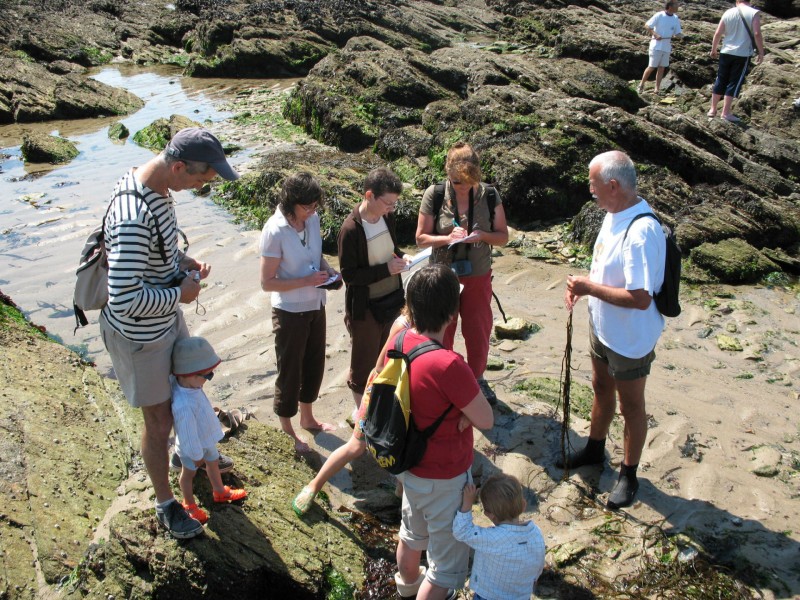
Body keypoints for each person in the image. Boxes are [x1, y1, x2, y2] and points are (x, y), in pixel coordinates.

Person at [99, 127, 239, 539]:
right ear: (177, 166)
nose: (200, 188)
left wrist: (181, 262)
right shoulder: (132, 216)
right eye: (199, 180)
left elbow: (158, 251)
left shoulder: (158, 189)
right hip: (140, 335)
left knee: (187, 390)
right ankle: (165, 503)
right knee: (158, 422)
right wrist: (180, 292)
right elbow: (123, 299)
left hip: (163, 321)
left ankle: (190, 455)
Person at [561, 151, 666, 510]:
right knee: (601, 386)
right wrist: (583, 285)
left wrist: (589, 289)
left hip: (630, 338)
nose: (589, 190)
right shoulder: (613, 213)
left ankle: (629, 474)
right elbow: (606, 266)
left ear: (613, 185)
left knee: (632, 405)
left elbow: (640, 298)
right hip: (603, 327)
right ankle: (594, 448)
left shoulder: (641, 231)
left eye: (593, 183)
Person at [393, 264, 494, 600]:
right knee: (445, 571)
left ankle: (406, 589)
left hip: (410, 468)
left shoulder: (401, 339)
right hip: (446, 476)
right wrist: (465, 412)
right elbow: (487, 419)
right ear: (453, 313)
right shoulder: (450, 365)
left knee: (410, 537)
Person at [291, 309, 411, 516]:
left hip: (402, 394)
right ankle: (314, 485)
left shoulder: (430, 325)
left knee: (402, 445)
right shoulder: (403, 326)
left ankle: (400, 491)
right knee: (356, 446)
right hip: (382, 393)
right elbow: (380, 366)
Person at [415, 142, 509, 405]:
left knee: (478, 330)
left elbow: (503, 237)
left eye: (468, 182)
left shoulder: (489, 195)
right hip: (443, 277)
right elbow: (421, 238)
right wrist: (446, 239)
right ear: (448, 173)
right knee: (442, 330)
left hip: (478, 275)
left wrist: (482, 236)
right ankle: (443, 379)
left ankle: (477, 379)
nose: (462, 187)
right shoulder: (434, 194)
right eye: (457, 182)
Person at [259, 172, 341, 454]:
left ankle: (308, 417)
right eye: (308, 207)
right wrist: (306, 281)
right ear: (291, 202)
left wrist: (329, 271)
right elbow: (266, 282)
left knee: (315, 363)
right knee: (290, 369)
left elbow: (315, 255)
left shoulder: (313, 220)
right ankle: (288, 428)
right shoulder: (275, 230)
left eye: (315, 206)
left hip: (316, 304)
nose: (313, 212)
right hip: (289, 311)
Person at [338, 167, 409, 417]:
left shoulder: (387, 217)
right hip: (365, 307)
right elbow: (350, 276)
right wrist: (386, 269)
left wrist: (401, 258)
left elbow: (392, 249)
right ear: (369, 195)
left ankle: (380, 405)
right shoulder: (351, 229)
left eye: (394, 204)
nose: (391, 208)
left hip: (392, 300)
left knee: (388, 356)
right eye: (388, 203)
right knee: (363, 364)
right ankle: (362, 416)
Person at [171, 337, 247, 524]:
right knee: (188, 475)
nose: (208, 379)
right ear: (188, 374)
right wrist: (196, 455)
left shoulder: (191, 384)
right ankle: (189, 504)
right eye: (207, 376)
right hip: (192, 448)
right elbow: (187, 434)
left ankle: (219, 491)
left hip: (205, 439)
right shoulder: (183, 405)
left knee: (213, 463)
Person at [453, 474, 546, 600]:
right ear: (523, 505)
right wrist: (533, 579)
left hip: (489, 596)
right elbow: (539, 564)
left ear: (489, 515)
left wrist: (467, 503)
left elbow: (462, 531)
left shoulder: (492, 538)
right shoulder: (536, 533)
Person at [708, 0, 764, 122]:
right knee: (734, 81)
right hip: (742, 54)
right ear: (749, 1)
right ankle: (726, 112)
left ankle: (712, 109)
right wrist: (761, 51)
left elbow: (718, 33)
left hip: (726, 51)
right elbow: (757, 33)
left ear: (737, 1)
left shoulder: (728, 12)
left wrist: (714, 49)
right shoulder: (754, 13)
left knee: (721, 79)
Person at [637, 2, 683, 95]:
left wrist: (683, 36)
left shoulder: (675, 18)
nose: (678, 7)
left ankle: (657, 89)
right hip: (656, 46)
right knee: (652, 66)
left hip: (666, 47)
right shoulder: (659, 15)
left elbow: (678, 33)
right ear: (670, 7)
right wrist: (655, 34)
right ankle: (641, 84)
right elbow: (647, 25)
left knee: (661, 68)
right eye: (676, 5)